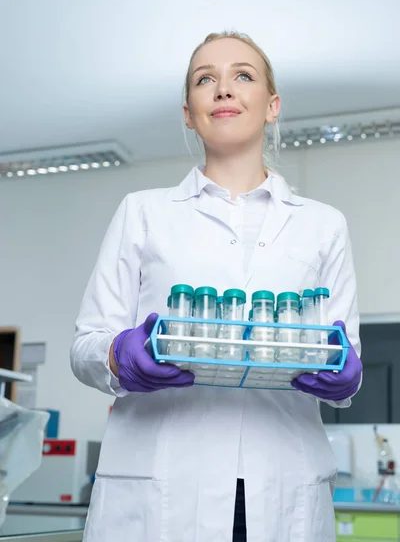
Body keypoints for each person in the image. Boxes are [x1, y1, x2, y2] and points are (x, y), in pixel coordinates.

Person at [71, 31, 362, 542]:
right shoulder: (143, 213)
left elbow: (344, 358)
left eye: (242, 76)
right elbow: (85, 345)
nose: (224, 89)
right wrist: (119, 353)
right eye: (206, 80)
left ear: (272, 106)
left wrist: (345, 376)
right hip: (163, 485)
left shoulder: (323, 225)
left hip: (283, 484)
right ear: (190, 112)